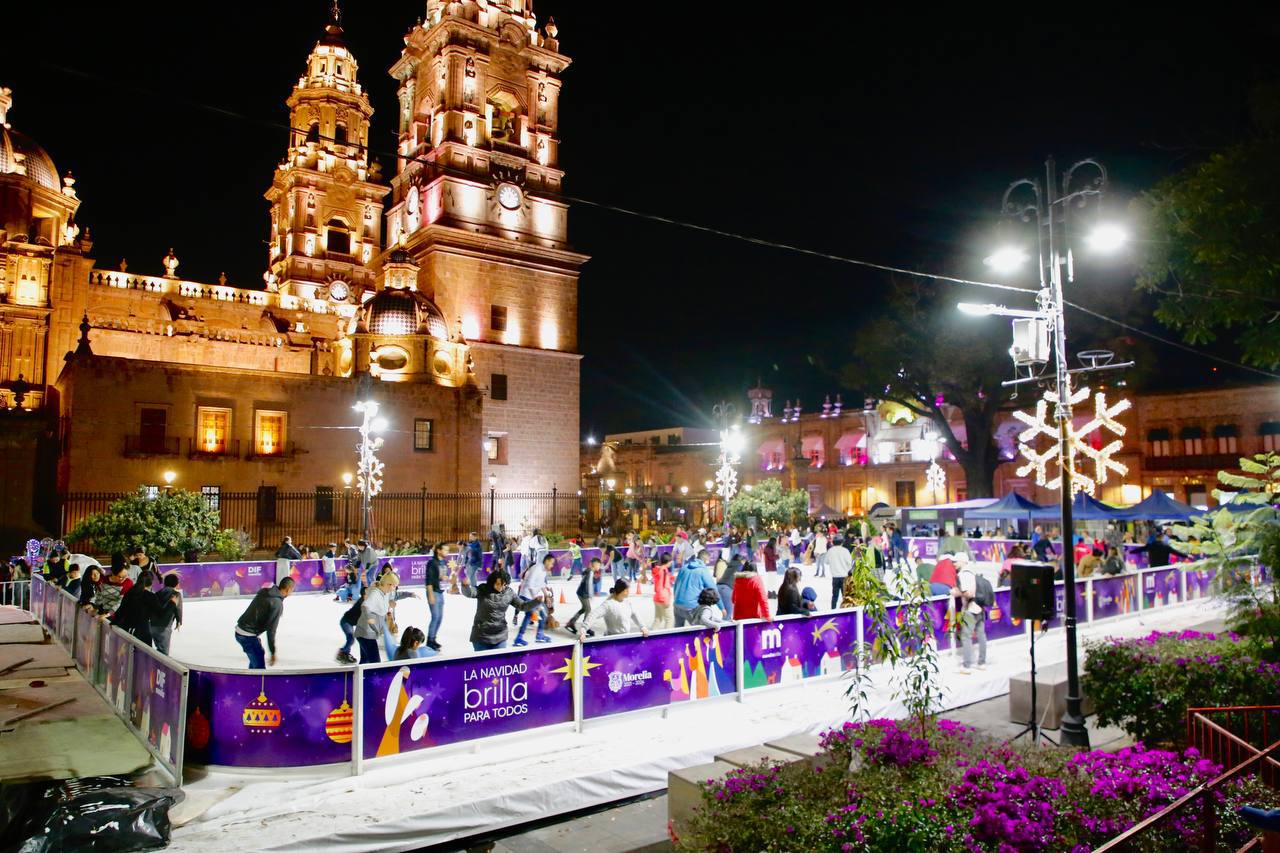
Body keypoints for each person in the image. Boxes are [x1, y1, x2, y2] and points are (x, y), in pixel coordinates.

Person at [468, 568, 542, 651]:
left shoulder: (509, 593)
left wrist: (536, 601)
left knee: (500, 662)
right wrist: (465, 586)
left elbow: (522, 606)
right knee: (483, 664)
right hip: (481, 637)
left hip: (500, 636)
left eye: (504, 585)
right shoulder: (483, 589)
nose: (501, 587)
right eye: (498, 584)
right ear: (492, 582)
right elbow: (470, 593)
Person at [235, 578, 294, 668]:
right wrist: (273, 652)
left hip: (241, 629)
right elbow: (271, 630)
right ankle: (254, 681)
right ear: (288, 589)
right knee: (259, 668)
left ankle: (252, 678)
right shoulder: (277, 604)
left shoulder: (265, 591)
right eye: (292, 590)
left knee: (258, 656)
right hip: (247, 635)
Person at [109, 569, 165, 646]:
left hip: (127, 628)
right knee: (142, 654)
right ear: (150, 583)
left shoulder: (130, 592)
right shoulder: (150, 596)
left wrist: (114, 622)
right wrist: (172, 603)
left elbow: (122, 609)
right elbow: (161, 614)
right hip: (142, 631)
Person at [356, 572, 396, 664]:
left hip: (363, 633)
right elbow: (365, 606)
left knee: (365, 661)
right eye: (392, 586)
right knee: (375, 662)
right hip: (366, 634)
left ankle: (360, 676)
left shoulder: (380, 595)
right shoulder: (375, 594)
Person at [514, 553, 554, 646]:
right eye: (551, 563)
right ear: (547, 561)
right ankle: (520, 638)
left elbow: (541, 583)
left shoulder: (543, 570)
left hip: (531, 596)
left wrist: (546, 595)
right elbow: (530, 584)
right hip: (526, 595)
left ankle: (537, 636)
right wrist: (535, 598)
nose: (552, 566)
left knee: (540, 614)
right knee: (531, 615)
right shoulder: (537, 569)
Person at [955, 561, 987, 674]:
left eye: (956, 561)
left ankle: (967, 665)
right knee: (981, 635)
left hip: (970, 609)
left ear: (961, 562)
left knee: (966, 636)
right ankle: (982, 662)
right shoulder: (974, 573)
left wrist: (957, 593)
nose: (954, 564)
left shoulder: (963, 575)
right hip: (980, 607)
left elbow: (968, 593)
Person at [673, 550, 717, 627]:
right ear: (706, 559)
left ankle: (677, 639)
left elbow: (676, 585)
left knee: (678, 629)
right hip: (691, 607)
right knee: (697, 629)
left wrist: (676, 599)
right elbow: (713, 588)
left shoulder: (684, 567)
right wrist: (722, 607)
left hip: (677, 604)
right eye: (708, 560)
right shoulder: (703, 571)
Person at [150, 573, 183, 655]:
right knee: (163, 652)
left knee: (158, 649)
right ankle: (158, 667)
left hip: (152, 625)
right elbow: (178, 609)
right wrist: (179, 621)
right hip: (164, 626)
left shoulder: (157, 593)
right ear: (176, 584)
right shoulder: (176, 594)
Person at [566, 557, 597, 636]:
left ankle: (571, 622)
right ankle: (585, 628)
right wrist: (590, 595)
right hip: (584, 593)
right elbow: (589, 584)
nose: (599, 567)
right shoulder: (590, 572)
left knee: (584, 609)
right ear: (595, 565)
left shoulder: (588, 570)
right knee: (588, 609)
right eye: (598, 565)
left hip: (580, 592)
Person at [424, 542, 446, 652]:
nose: (447, 552)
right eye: (445, 550)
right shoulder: (432, 563)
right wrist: (431, 595)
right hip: (433, 592)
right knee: (435, 617)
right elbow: (428, 580)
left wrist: (446, 578)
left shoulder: (442, 562)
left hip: (440, 592)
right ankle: (430, 640)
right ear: (439, 550)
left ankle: (433, 638)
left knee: (440, 617)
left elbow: (440, 577)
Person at [336, 587, 365, 664]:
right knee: (351, 638)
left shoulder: (366, 601)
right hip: (346, 622)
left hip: (350, 622)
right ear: (364, 595)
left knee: (351, 638)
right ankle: (342, 652)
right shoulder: (362, 603)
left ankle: (345, 653)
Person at [825, 535, 853, 610]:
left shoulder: (830, 550)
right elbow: (849, 562)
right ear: (842, 542)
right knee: (845, 595)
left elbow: (826, 562)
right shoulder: (845, 550)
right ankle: (845, 610)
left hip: (835, 576)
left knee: (834, 596)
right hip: (844, 576)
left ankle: (833, 610)